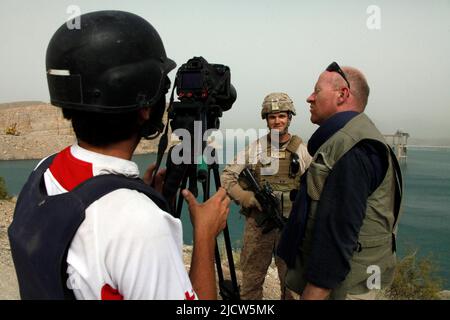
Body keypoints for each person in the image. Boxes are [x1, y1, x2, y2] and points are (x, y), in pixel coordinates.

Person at [8, 10, 230, 300]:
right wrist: (204, 235)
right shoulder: (140, 224)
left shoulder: (44, 170)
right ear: (145, 107)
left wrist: (136, 194)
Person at [277, 62, 403, 300]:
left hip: (342, 290)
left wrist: (312, 294)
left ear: (342, 95)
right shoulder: (352, 139)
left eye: (317, 91)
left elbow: (337, 237)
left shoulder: (353, 149)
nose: (309, 98)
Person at [221, 92, 311, 300]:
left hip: (290, 227)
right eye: (272, 117)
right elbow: (227, 176)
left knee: (291, 287)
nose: (277, 121)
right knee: (251, 284)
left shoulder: (302, 150)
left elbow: (315, 187)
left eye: (281, 116)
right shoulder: (255, 148)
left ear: (290, 117)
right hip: (258, 226)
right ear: (266, 119)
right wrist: (244, 197)